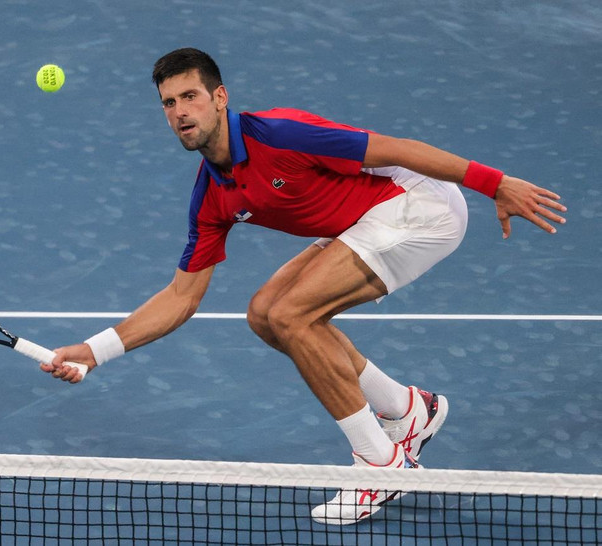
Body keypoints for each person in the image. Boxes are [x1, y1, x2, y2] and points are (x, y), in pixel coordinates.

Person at [40, 48, 566, 524]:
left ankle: (379, 465)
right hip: (367, 221)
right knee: (266, 313)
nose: (180, 112)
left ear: (220, 98)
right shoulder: (211, 196)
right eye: (169, 102)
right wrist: (93, 350)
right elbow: (182, 297)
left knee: (293, 314)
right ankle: (409, 409)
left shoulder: (280, 134)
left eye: (191, 97)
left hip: (419, 208)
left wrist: (494, 183)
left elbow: (397, 148)